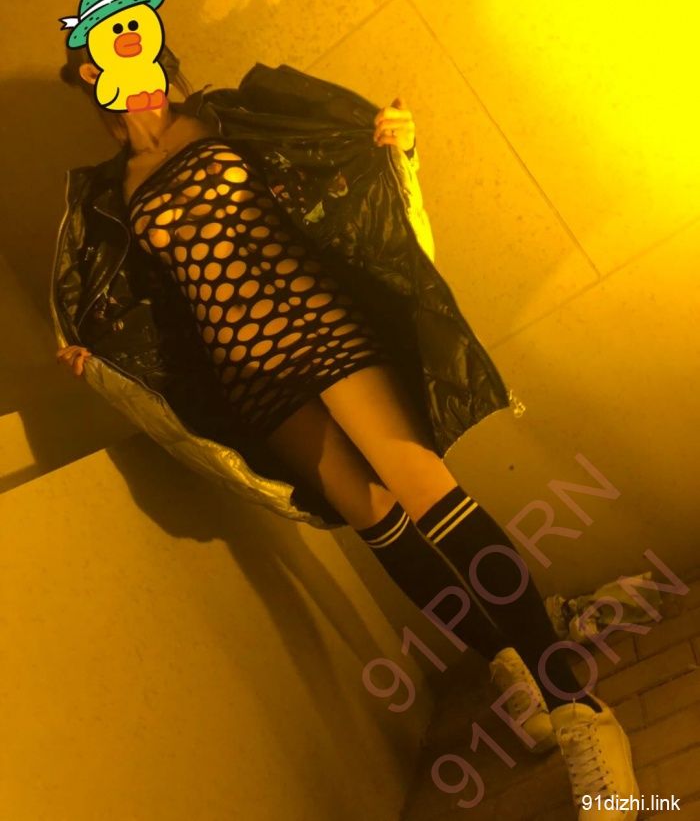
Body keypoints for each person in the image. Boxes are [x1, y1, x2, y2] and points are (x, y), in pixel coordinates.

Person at [56, 40, 639, 820]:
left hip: (320, 327)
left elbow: (333, 160)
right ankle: (510, 664)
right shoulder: (108, 194)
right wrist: (96, 355)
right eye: (103, 65)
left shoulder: (233, 115)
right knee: (377, 522)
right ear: (89, 81)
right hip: (249, 377)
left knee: (430, 495)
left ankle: (577, 706)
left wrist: (396, 145)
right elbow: (139, 310)